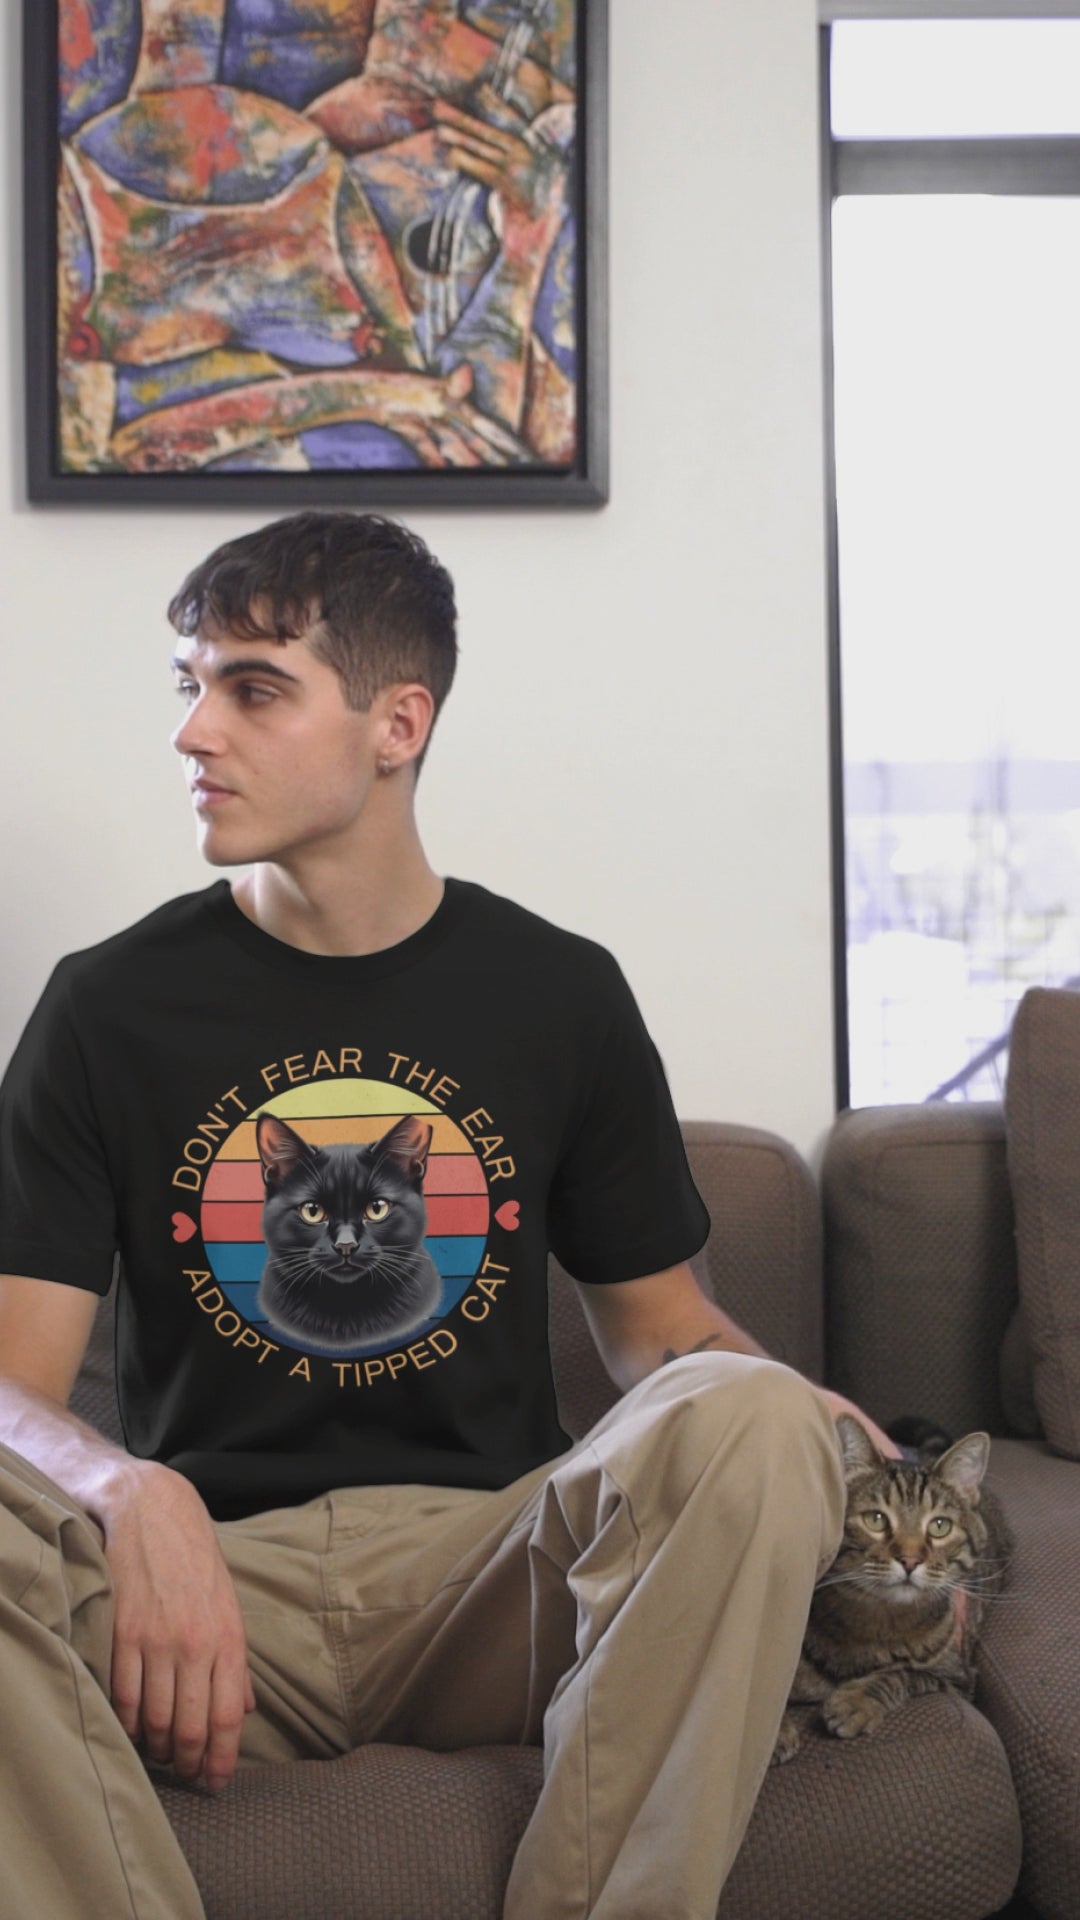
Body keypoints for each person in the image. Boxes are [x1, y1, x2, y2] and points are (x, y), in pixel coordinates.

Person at [0, 511, 884, 1920]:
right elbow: (11, 1395)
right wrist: (126, 1490)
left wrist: (812, 1435)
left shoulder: (560, 993)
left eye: (253, 686)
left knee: (756, 1415)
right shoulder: (106, 1007)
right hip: (208, 1600)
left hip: (501, 1574)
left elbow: (665, 1336)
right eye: (191, 684)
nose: (193, 733)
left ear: (396, 721)